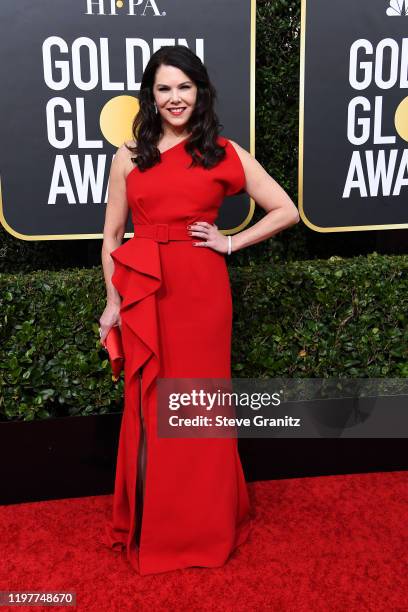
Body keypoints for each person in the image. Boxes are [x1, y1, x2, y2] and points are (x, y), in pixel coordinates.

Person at [99, 45, 299, 576]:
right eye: (163, 88)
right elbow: (112, 236)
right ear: (151, 95)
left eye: (184, 87)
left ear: (200, 92)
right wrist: (113, 301)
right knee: (150, 406)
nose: (174, 98)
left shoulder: (221, 151)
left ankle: (203, 525)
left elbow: (286, 209)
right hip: (146, 292)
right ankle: (155, 522)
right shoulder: (128, 156)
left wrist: (230, 243)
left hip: (202, 291)